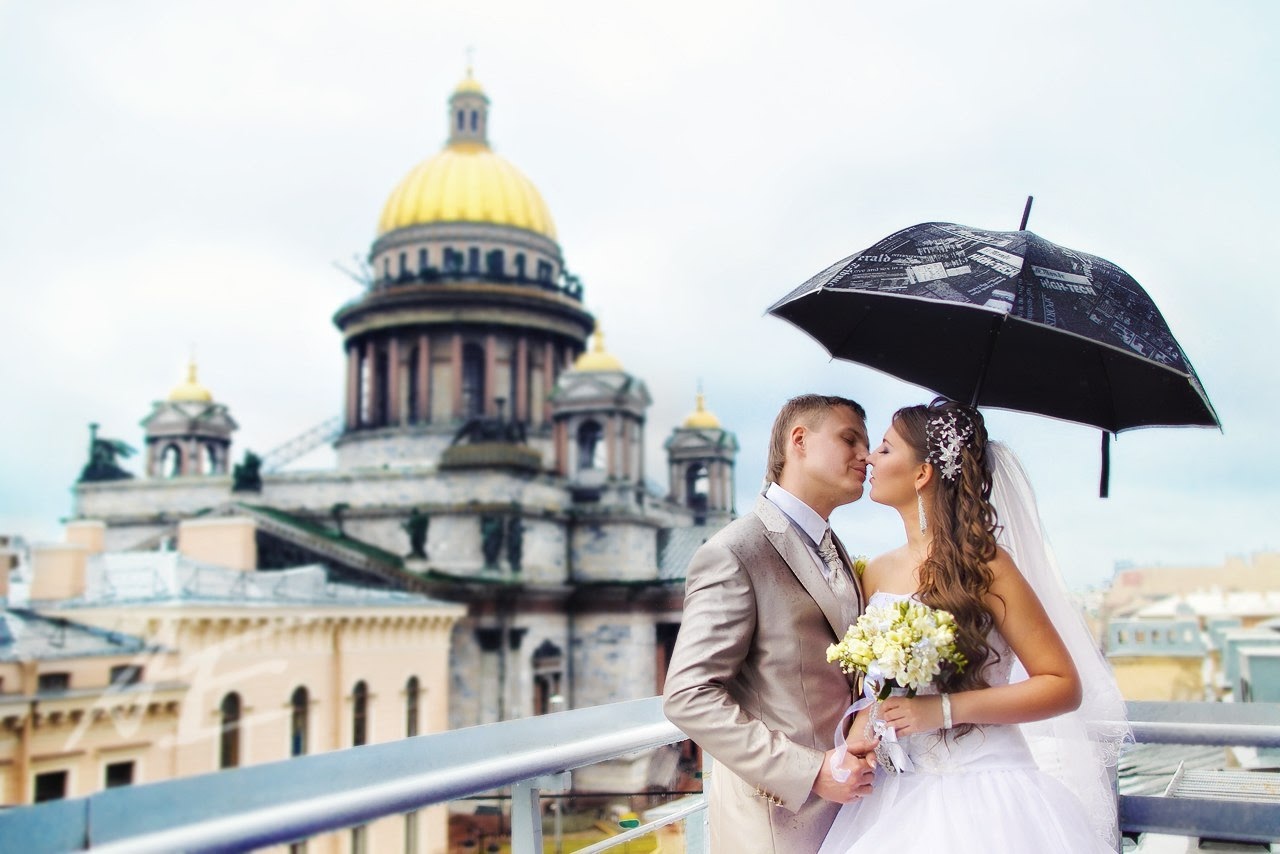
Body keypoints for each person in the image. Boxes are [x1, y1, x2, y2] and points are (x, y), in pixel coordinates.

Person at [819, 398, 1128, 854]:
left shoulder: (986, 567)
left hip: (987, 792)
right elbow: (878, 683)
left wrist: (941, 710)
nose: (868, 458)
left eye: (884, 449)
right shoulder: (875, 572)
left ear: (922, 474)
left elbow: (1062, 685)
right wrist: (867, 719)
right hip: (895, 794)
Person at [664, 394, 879, 853]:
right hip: (775, 823)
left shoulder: (834, 545)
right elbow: (688, 696)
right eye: (849, 439)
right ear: (799, 440)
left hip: (851, 811)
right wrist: (810, 772)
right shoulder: (735, 550)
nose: (867, 455)